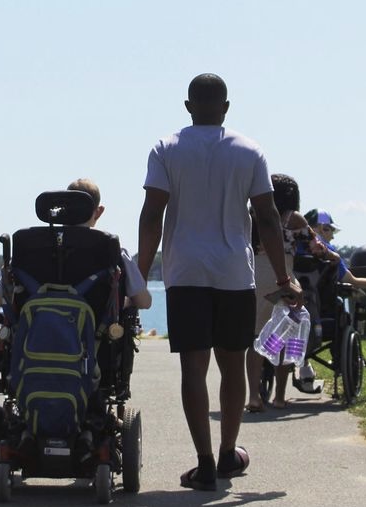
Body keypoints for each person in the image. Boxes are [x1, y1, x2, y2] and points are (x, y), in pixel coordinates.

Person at [137, 73, 302, 491]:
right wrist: (284, 277)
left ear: (188, 106)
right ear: (226, 107)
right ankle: (229, 452)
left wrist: (139, 272)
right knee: (233, 365)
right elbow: (266, 217)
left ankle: (205, 463)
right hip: (234, 273)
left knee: (194, 368)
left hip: (185, 272)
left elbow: (152, 213)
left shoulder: (166, 148)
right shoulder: (249, 150)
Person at [290, 208, 366, 392]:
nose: (332, 236)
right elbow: (353, 281)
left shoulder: (287, 249)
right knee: (341, 313)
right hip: (325, 320)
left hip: (288, 311)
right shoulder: (329, 254)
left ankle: (302, 367)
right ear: (319, 229)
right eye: (330, 229)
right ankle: (339, 360)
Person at [0, 178, 151, 311]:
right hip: (96, 345)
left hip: (33, 341)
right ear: (99, 211)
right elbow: (144, 302)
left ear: (63, 209)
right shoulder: (112, 249)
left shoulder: (28, 247)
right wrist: (125, 303)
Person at [245, 174, 320, 411]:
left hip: (254, 279)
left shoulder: (252, 216)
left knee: (255, 340)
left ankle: (254, 397)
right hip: (282, 280)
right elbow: (315, 245)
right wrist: (331, 256)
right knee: (282, 337)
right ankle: (278, 397)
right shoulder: (291, 218)